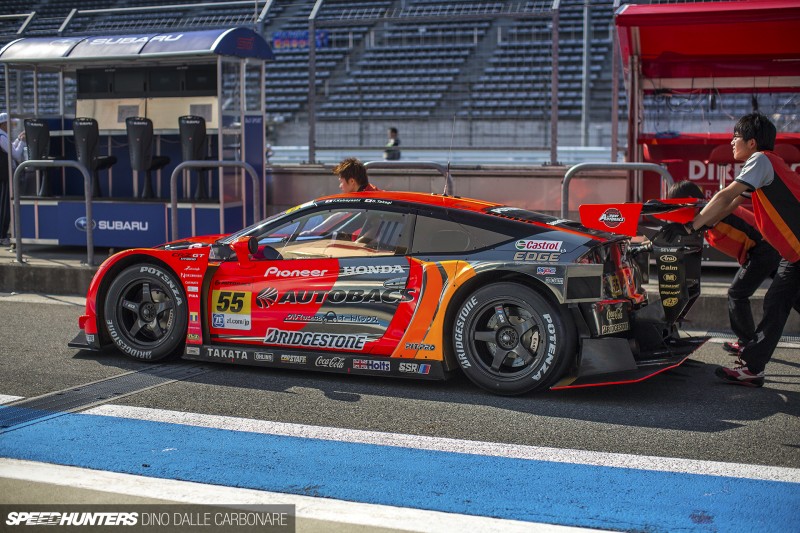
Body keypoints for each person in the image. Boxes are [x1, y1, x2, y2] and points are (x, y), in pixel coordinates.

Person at [661, 112, 800, 387]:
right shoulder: (766, 166)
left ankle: (752, 367)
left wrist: (692, 226)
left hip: (795, 252)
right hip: (792, 253)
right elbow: (732, 202)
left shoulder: (761, 160)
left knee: (775, 304)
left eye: (736, 136)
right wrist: (699, 224)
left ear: (752, 142)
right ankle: (753, 365)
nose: (731, 142)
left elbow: (724, 196)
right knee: (783, 302)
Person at [666, 180, 800, 355]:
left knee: (736, 294)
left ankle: (747, 343)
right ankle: (748, 342)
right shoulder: (702, 217)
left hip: (764, 249)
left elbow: (702, 223)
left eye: (679, 207)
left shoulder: (713, 212)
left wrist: (681, 226)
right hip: (762, 250)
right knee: (793, 296)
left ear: (691, 201)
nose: (677, 213)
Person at [0, 113, 27, 245]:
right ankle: (2, 235)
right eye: (9, 123)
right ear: (3, 124)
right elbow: (15, 154)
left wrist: (18, 140)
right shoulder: (1, 136)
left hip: (5, 175)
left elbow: (10, 148)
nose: (11, 126)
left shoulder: (2, 136)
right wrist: (22, 141)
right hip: (5, 176)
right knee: (4, 206)